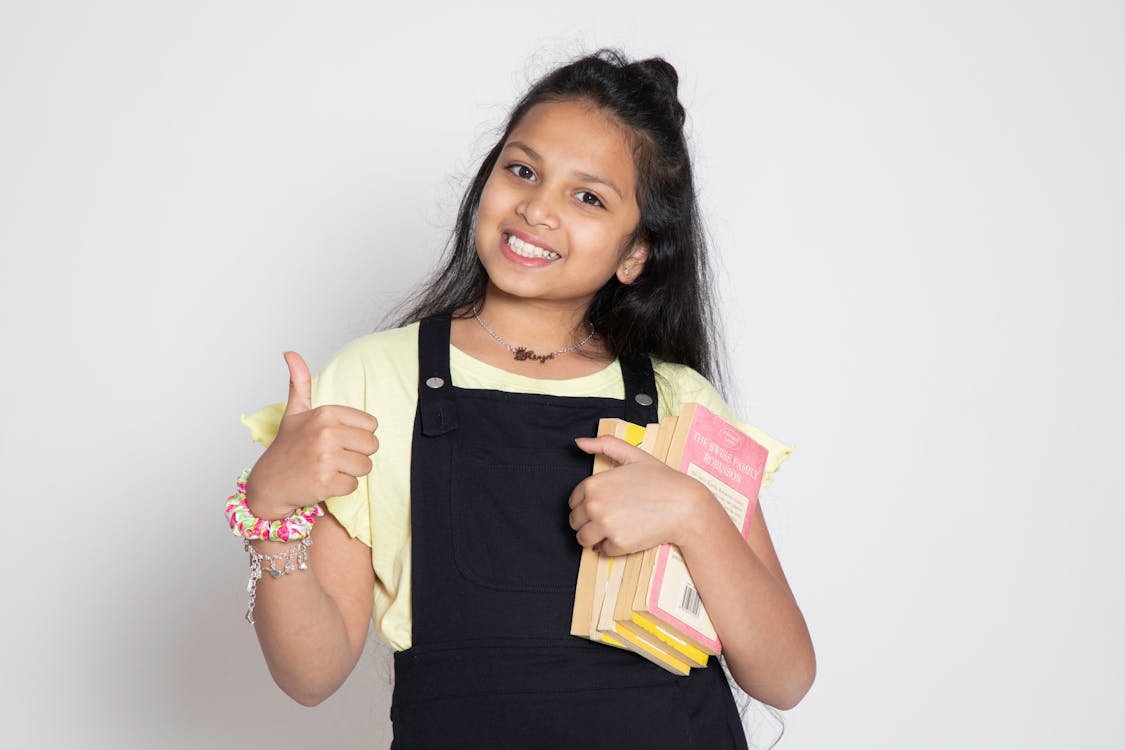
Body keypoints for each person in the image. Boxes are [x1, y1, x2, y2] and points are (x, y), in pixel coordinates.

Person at [232, 49, 815, 748]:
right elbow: (311, 675)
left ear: (635, 253)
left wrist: (695, 515)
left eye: (588, 196)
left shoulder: (675, 400)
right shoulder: (376, 378)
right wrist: (270, 509)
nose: (537, 208)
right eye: (522, 170)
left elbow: (784, 677)